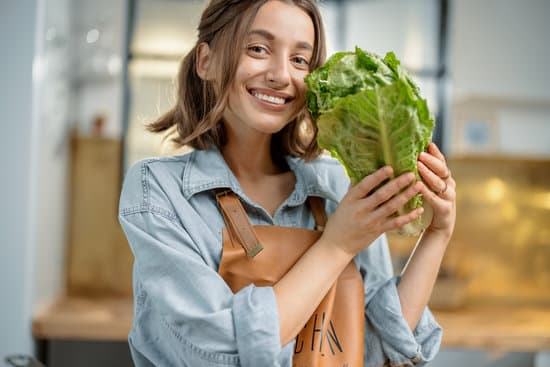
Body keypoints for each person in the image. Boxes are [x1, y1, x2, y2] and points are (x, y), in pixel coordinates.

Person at [118, 0, 456, 366]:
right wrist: (337, 246)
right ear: (206, 61)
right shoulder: (158, 189)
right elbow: (219, 350)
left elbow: (376, 347)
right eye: (258, 49)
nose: (281, 74)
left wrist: (437, 234)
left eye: (300, 60)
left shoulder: (335, 187)